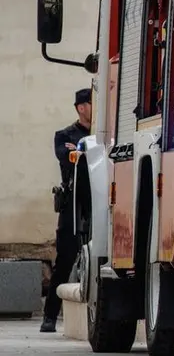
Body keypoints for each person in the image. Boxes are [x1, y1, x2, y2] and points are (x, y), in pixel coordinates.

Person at [42, 88, 91, 333]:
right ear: (81, 107)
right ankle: (49, 316)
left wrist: (81, 151)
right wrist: (78, 152)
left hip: (98, 202)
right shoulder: (64, 135)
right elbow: (67, 156)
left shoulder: (103, 134)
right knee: (65, 260)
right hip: (73, 203)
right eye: (92, 103)